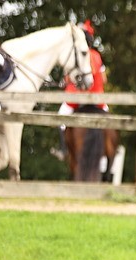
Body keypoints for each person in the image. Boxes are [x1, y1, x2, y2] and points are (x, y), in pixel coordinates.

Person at [55, 20, 106, 160]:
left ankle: (63, 149)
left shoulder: (74, 56)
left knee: (60, 119)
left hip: (75, 99)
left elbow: (68, 79)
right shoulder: (97, 56)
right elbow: (104, 79)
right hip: (97, 99)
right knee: (109, 122)